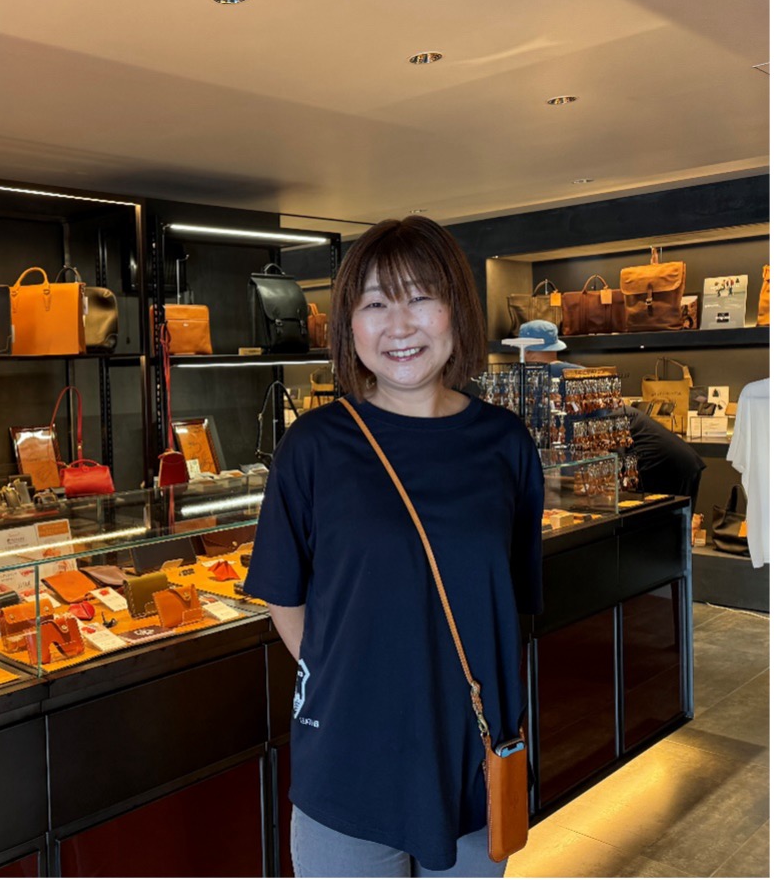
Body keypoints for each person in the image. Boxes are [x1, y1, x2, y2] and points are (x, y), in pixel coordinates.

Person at [244, 216, 544, 877]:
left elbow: (510, 604)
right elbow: (283, 596)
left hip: (473, 756)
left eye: (421, 297)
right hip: (348, 760)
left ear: (456, 310)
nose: (399, 325)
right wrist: (356, 675)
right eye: (376, 303)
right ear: (349, 324)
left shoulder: (506, 444)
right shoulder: (314, 446)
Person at [515, 319, 706, 506]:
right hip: (672, 459)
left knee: (654, 523)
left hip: (659, 464)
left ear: (528, 351)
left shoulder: (542, 380)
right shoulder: (582, 374)